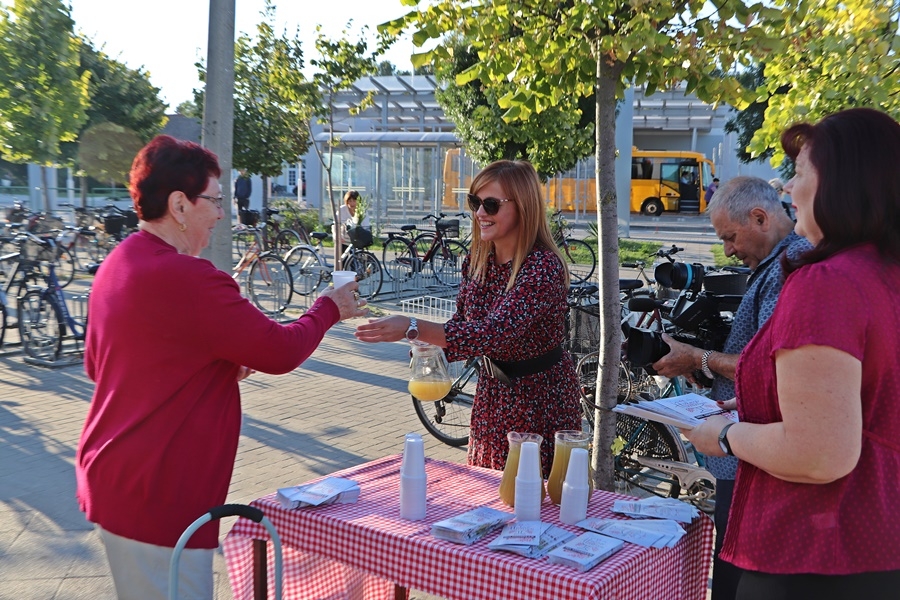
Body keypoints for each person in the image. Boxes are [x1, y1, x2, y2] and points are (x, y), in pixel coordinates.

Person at [75, 135, 367, 598]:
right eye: (214, 200)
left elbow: (104, 365)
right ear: (179, 205)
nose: (222, 212)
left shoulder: (117, 263)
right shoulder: (190, 279)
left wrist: (208, 364)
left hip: (117, 480)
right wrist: (328, 307)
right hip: (158, 493)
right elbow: (279, 351)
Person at [684, 107, 900, 598]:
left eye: (799, 173)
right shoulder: (883, 273)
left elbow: (818, 453)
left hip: (813, 551)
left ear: (843, 184)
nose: (787, 188)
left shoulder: (826, 282)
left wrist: (727, 434)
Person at [355, 160, 582, 476]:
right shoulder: (477, 261)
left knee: (531, 502)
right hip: (493, 393)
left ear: (524, 207)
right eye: (475, 202)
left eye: (491, 204)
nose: (479, 213)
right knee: (487, 492)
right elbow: (465, 327)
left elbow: (494, 333)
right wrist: (430, 350)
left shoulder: (542, 268)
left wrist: (412, 326)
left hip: (539, 399)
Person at [652, 175, 810, 600]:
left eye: (730, 237)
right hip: (746, 450)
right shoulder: (777, 264)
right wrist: (707, 369)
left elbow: (772, 367)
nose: (727, 251)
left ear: (759, 217)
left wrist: (696, 357)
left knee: (735, 573)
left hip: (752, 457)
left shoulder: (787, 268)